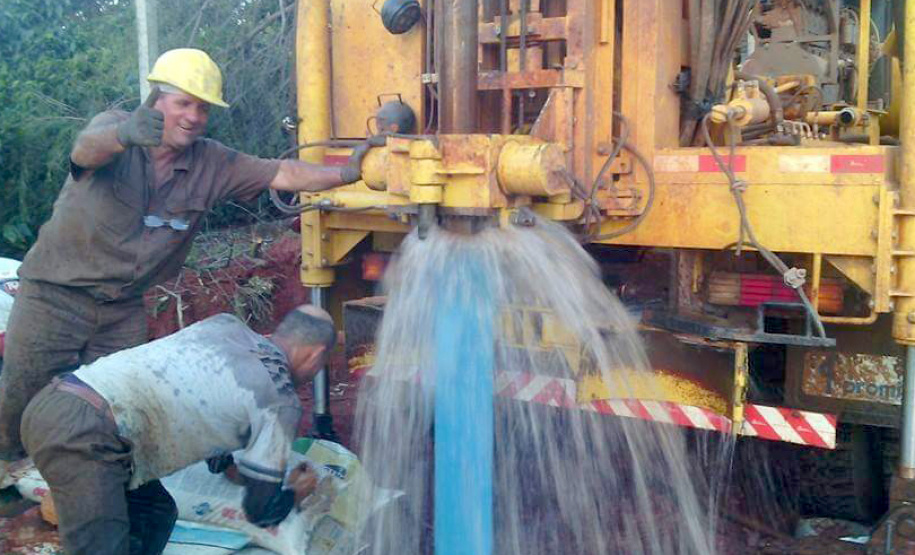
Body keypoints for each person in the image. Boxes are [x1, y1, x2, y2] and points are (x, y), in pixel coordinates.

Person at [0, 48, 362, 459]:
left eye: (203, 108)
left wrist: (348, 173)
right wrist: (123, 136)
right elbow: (84, 151)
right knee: (22, 396)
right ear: (157, 98)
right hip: (54, 295)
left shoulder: (212, 162)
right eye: (183, 103)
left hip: (122, 308)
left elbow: (281, 172)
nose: (193, 116)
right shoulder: (115, 129)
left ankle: (103, 488)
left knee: (121, 406)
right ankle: (10, 488)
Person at [20, 304, 336, 555]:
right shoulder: (281, 402)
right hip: (87, 440)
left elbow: (196, 386)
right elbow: (260, 510)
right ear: (316, 355)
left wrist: (226, 466)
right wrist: (296, 492)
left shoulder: (225, 326)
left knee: (154, 511)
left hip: (53, 402)